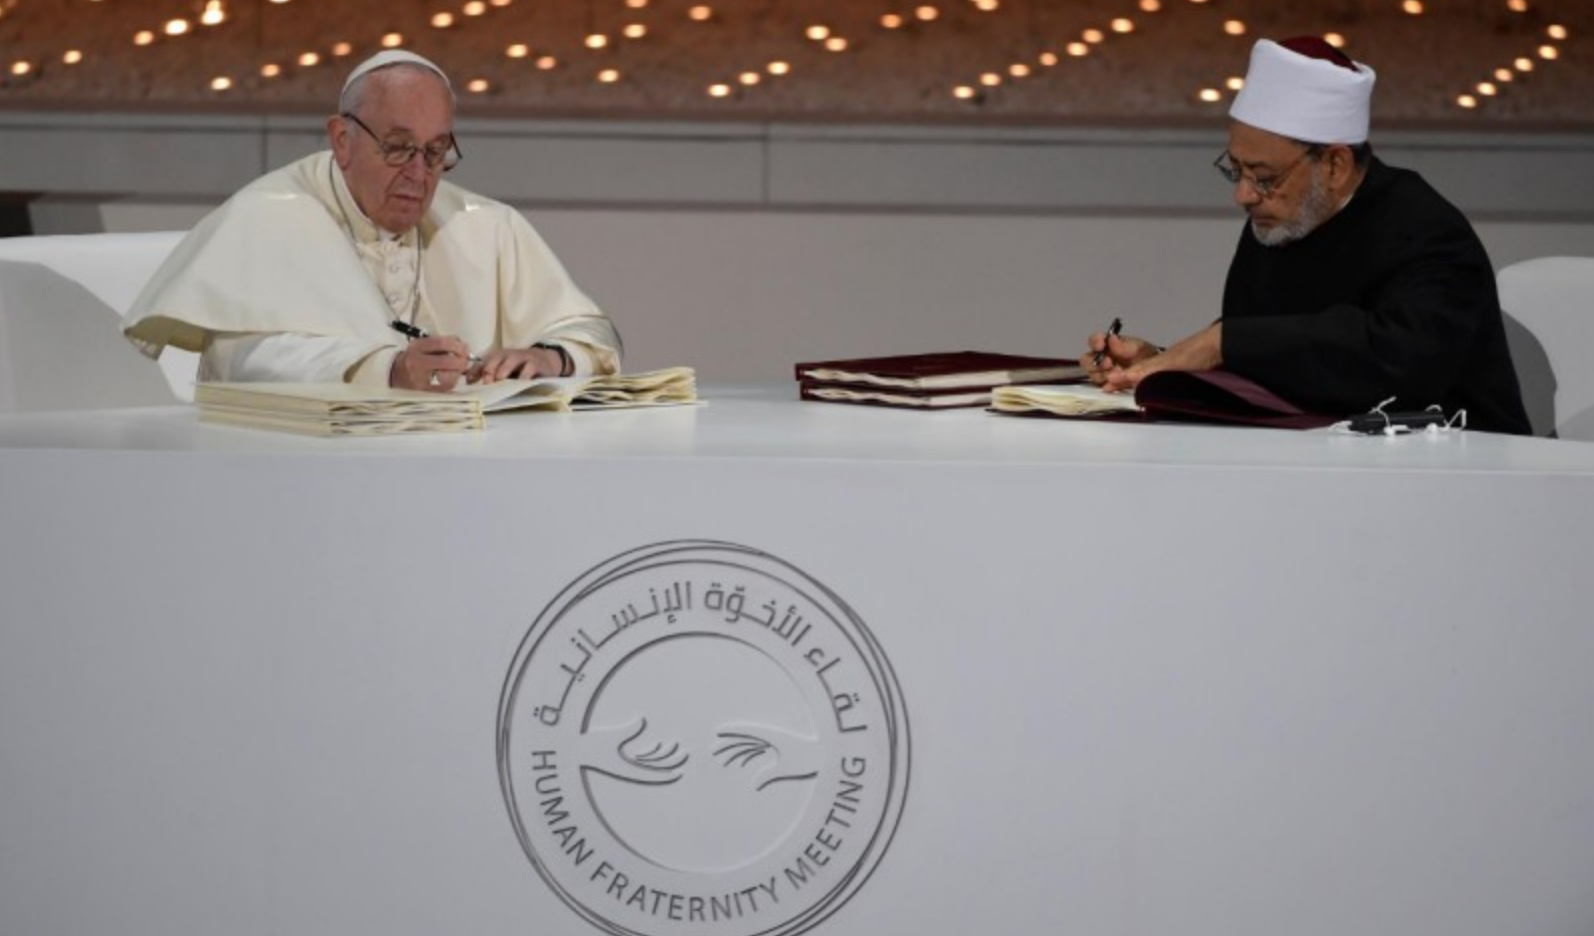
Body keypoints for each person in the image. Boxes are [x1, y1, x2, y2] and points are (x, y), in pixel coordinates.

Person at [1083, 37, 1530, 434]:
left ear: (1334, 166)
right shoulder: (1279, 217)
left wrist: (1222, 344)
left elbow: (1395, 362)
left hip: (1461, 475)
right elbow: (1271, 364)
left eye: (1263, 177)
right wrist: (1165, 365)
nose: (1243, 195)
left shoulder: (1426, 230)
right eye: (1236, 170)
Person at [123, 50, 620, 392]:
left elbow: (589, 330)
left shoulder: (485, 223)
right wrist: (387, 371)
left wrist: (551, 358)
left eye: (435, 151)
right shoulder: (269, 214)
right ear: (342, 139)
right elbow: (243, 361)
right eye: (399, 148)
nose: (420, 174)